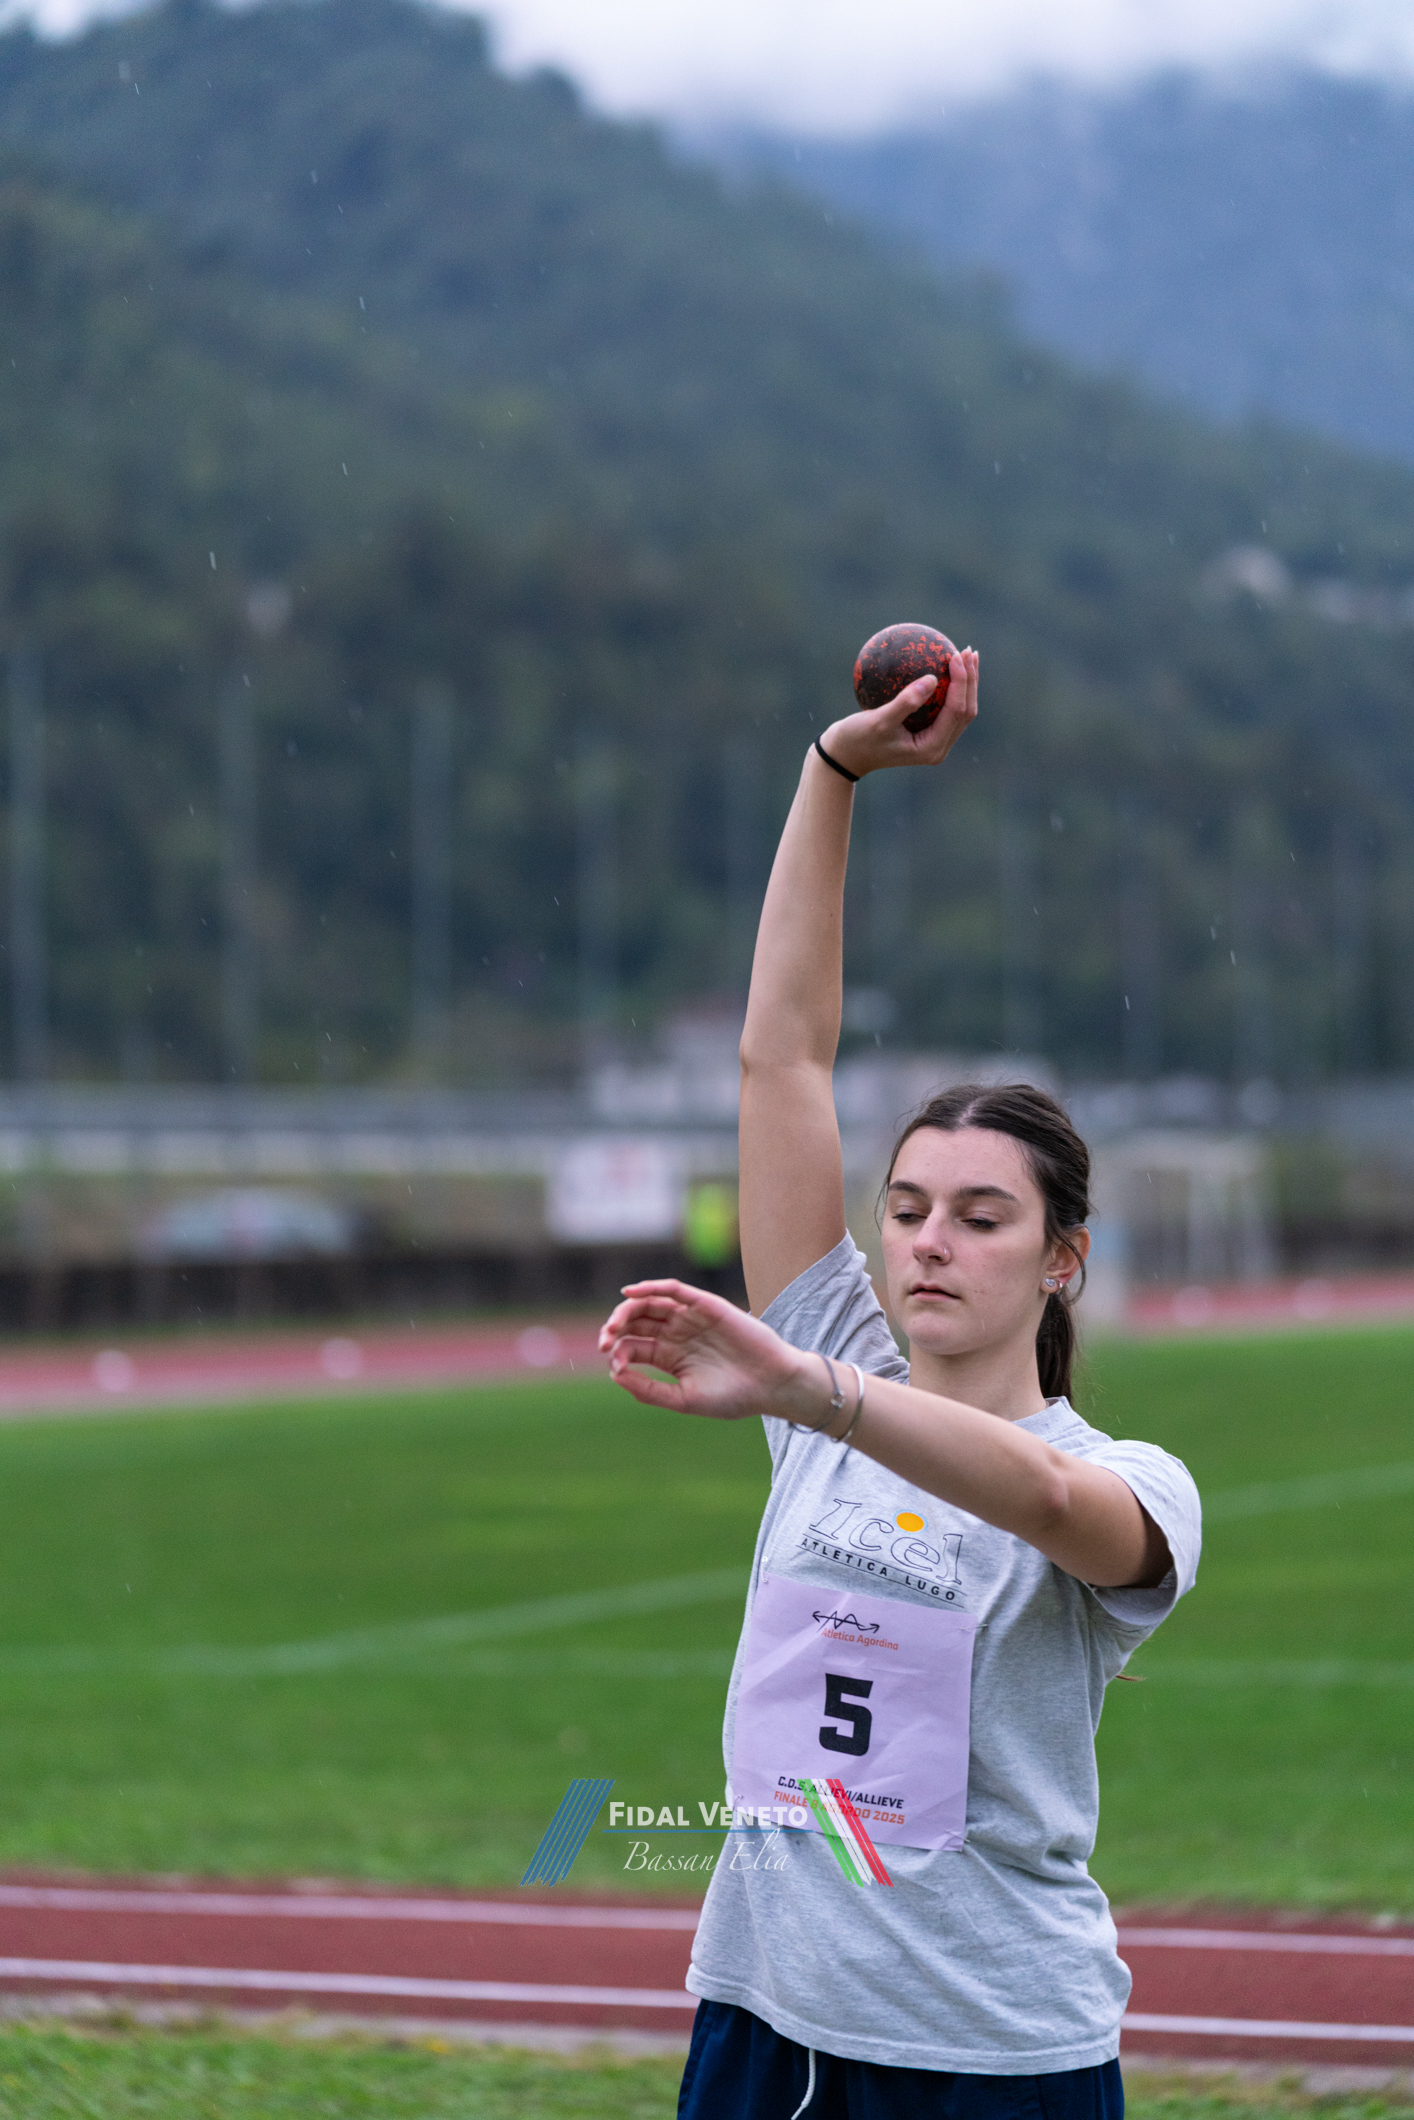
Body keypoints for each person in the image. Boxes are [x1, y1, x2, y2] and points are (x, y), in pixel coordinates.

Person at [599, 653, 1201, 2120]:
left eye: (982, 1218)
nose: (931, 1241)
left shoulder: (1127, 1481)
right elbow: (782, 1060)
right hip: (763, 2023)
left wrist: (812, 1393)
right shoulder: (827, 1368)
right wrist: (834, 771)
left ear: (1062, 1259)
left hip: (994, 2054)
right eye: (910, 1208)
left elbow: (1045, 1497)